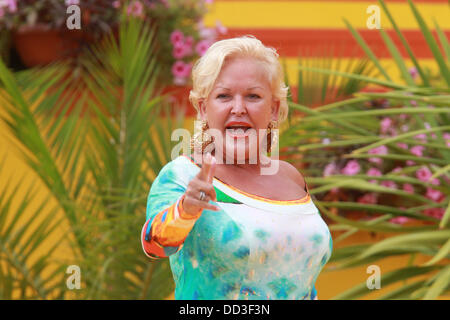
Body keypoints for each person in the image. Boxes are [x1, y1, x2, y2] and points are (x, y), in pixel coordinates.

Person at [141, 36, 333, 300]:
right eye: (224, 96)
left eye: (253, 96)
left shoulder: (291, 177)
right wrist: (186, 211)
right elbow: (155, 244)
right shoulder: (184, 174)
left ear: (274, 109)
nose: (239, 108)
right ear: (203, 109)